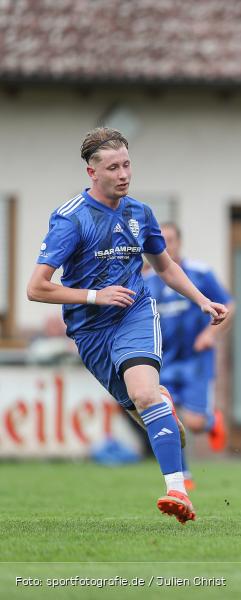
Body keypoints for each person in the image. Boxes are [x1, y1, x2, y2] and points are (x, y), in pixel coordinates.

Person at [27, 127, 227, 524]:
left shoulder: (140, 213)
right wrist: (94, 296)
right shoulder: (71, 220)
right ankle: (159, 402)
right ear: (92, 173)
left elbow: (165, 266)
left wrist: (202, 301)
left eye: (127, 164)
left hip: (135, 315)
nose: (124, 174)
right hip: (89, 331)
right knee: (142, 401)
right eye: (113, 167)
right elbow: (36, 288)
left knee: (145, 395)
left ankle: (178, 490)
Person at [145, 222, 234, 489]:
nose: (166, 245)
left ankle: (210, 421)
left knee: (193, 423)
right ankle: (183, 475)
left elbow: (229, 305)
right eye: (161, 240)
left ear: (179, 242)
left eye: (170, 239)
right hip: (165, 360)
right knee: (168, 415)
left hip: (196, 360)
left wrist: (210, 334)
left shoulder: (199, 273)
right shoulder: (146, 279)